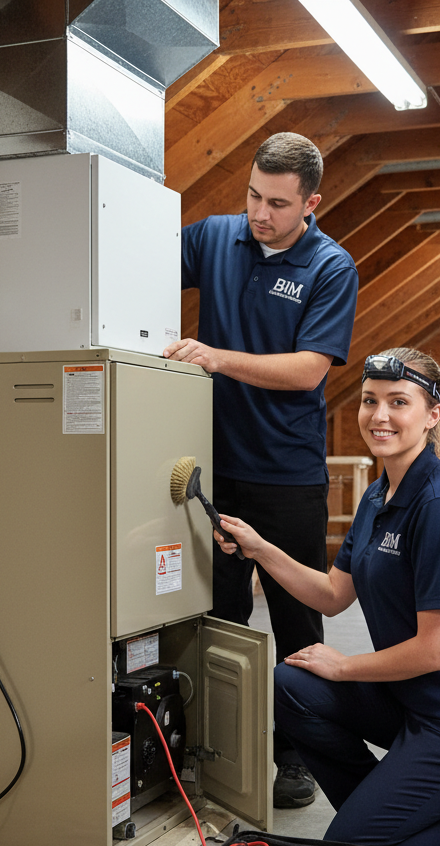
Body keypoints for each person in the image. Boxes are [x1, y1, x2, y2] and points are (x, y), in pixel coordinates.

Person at [212, 347, 440, 846]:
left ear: (433, 415)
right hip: (412, 703)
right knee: (292, 684)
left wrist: (344, 666)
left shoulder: (439, 506)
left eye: (398, 402)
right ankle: (381, 811)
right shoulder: (377, 497)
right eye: (370, 401)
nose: (379, 415)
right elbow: (331, 594)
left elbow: (436, 651)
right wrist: (259, 547)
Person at [164, 133, 359, 809]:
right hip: (211, 467)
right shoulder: (216, 238)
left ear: (311, 203)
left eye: (277, 203)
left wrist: (215, 357)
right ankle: (214, 754)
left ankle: (295, 755)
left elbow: (309, 369)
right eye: (253, 194)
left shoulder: (331, 266)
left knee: (296, 621)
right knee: (215, 617)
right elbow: (135, 255)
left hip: (286, 474)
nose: (260, 213)